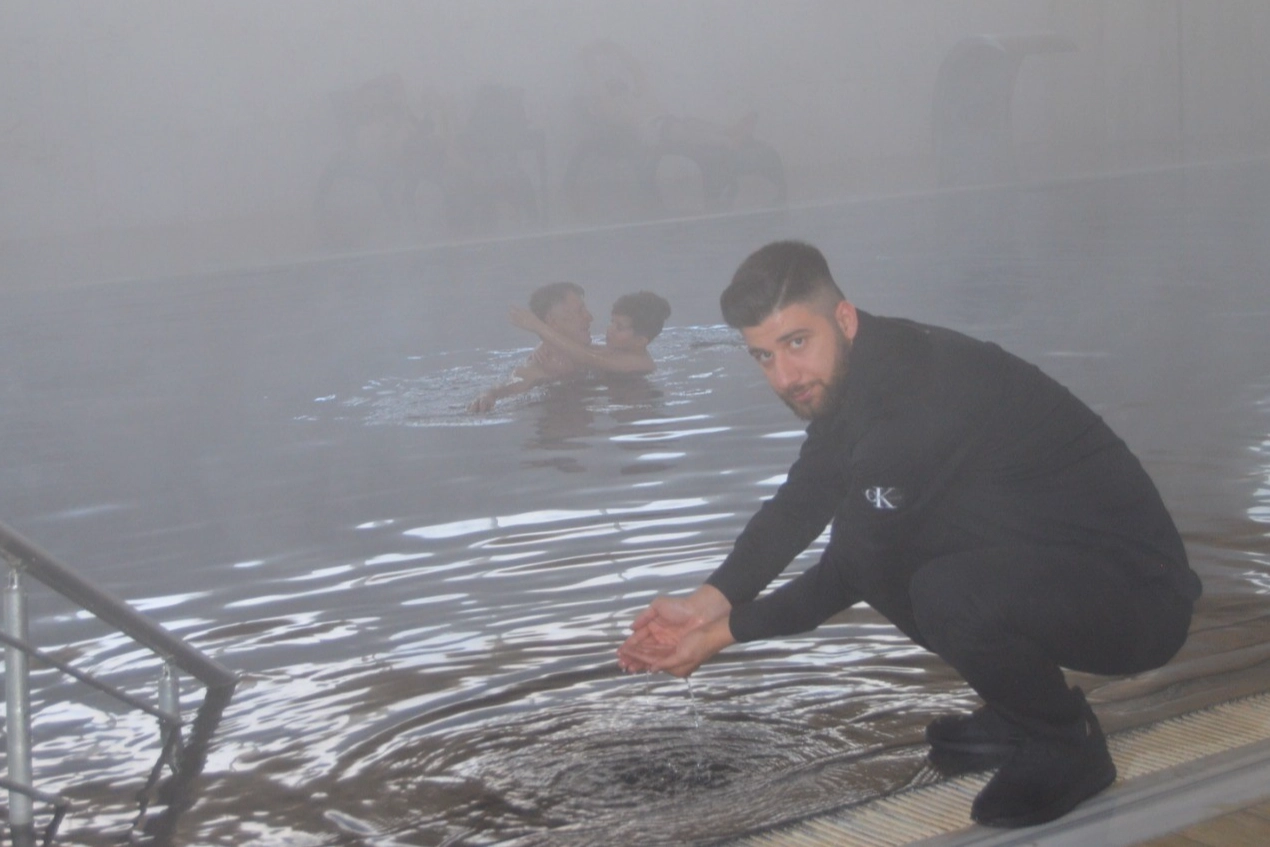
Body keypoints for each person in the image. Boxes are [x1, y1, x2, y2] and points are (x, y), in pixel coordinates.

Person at [616, 241, 1201, 828]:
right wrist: (704, 603)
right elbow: (806, 496)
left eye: (797, 343)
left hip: (1138, 601)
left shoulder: (915, 396)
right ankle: (1025, 706)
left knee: (924, 576)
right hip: (1058, 564)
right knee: (893, 552)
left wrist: (719, 637)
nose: (786, 376)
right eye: (763, 356)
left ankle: (1066, 745)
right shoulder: (862, 367)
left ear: (842, 318)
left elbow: (846, 568)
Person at [468, 281, 593, 413]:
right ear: (552, 321)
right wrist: (489, 395)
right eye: (580, 311)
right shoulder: (538, 368)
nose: (590, 317)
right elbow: (512, 384)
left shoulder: (593, 353)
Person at [509, 290, 671, 376]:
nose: (610, 329)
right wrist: (545, 344)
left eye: (619, 327)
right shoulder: (616, 350)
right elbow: (580, 349)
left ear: (640, 341)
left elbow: (586, 356)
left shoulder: (639, 363)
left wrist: (539, 327)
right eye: (612, 322)